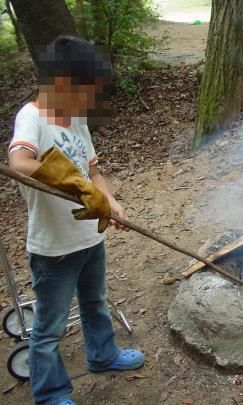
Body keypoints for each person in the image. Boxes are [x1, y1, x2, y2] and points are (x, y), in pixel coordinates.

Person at [8, 36, 144, 405]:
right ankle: (51, 394)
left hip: (89, 239)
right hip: (54, 248)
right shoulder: (32, 117)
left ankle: (103, 355)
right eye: (88, 92)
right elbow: (19, 164)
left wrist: (108, 199)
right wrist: (73, 184)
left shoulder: (77, 119)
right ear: (64, 83)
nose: (91, 102)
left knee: (95, 302)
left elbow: (93, 170)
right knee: (48, 329)